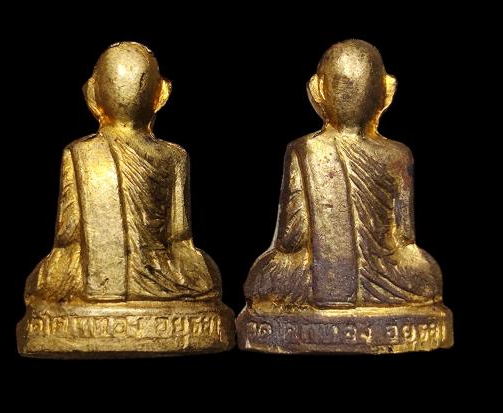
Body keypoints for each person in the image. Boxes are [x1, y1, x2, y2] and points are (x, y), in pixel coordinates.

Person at [244, 40, 442, 308]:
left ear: (316, 91)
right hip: (387, 278)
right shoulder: (398, 154)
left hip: (316, 278)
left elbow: (291, 239)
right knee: (427, 276)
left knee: (265, 278)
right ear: (387, 91)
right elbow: (405, 240)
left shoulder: (305, 149)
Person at [26, 42, 220, 303]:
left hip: (93, 276)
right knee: (204, 275)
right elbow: (180, 238)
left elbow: (67, 236)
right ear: (162, 94)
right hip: (162, 274)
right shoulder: (175, 156)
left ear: (91, 94)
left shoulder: (77, 153)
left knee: (49, 278)